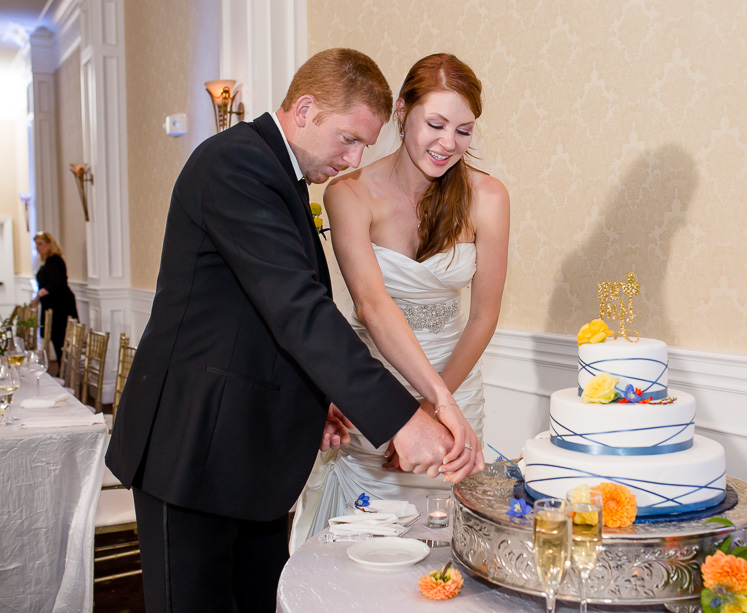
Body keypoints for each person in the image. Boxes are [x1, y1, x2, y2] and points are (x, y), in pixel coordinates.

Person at [105, 48, 484, 613]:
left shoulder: (280, 175)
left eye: (364, 146)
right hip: (193, 450)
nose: (352, 158)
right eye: (348, 139)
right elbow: (297, 309)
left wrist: (320, 399)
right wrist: (403, 419)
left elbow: (256, 320)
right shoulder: (234, 164)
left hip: (249, 456)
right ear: (305, 109)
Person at [290, 53, 510, 548]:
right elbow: (371, 305)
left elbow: (483, 316)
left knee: (443, 550)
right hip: (371, 391)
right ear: (400, 111)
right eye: (435, 124)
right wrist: (400, 414)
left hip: (455, 388)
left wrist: (437, 407)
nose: (448, 143)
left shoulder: (488, 198)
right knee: (362, 547)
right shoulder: (348, 194)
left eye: (464, 130)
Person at [31, 232, 79, 361]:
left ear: (49, 244)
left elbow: (56, 282)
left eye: (40, 244)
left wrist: (39, 294)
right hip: (53, 305)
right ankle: (61, 368)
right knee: (56, 337)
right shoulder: (48, 261)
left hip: (60, 306)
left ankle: (63, 370)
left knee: (59, 337)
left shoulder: (54, 259)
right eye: (36, 244)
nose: (38, 247)